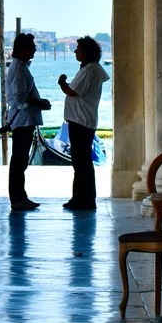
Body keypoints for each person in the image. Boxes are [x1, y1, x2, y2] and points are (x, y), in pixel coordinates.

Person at [57, 36, 110, 210]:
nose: (75, 51)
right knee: (83, 163)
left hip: (80, 121)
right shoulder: (92, 69)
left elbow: (72, 92)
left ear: (85, 52)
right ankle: (83, 198)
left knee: (80, 163)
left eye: (78, 49)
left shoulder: (89, 70)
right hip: (84, 120)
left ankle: (82, 200)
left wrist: (62, 82)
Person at [5, 33, 51, 211]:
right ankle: (17, 199)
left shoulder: (21, 67)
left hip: (25, 120)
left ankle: (20, 196)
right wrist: (40, 103)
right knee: (19, 161)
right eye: (32, 47)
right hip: (22, 121)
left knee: (21, 160)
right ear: (23, 49)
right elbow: (19, 98)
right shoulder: (18, 69)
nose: (35, 49)